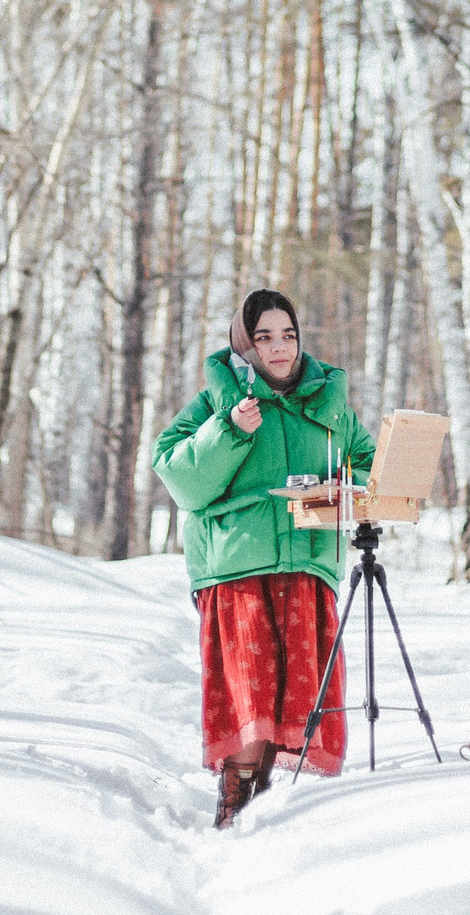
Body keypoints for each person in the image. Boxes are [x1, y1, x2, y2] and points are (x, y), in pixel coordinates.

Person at [153, 288, 375, 829]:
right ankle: (234, 799)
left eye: (289, 335)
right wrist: (230, 431)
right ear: (244, 344)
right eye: (264, 336)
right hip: (236, 567)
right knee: (249, 686)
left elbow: (367, 460)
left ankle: (269, 802)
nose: (279, 347)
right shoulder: (217, 402)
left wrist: (345, 492)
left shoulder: (328, 404)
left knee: (298, 692)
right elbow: (180, 478)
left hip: (307, 563)